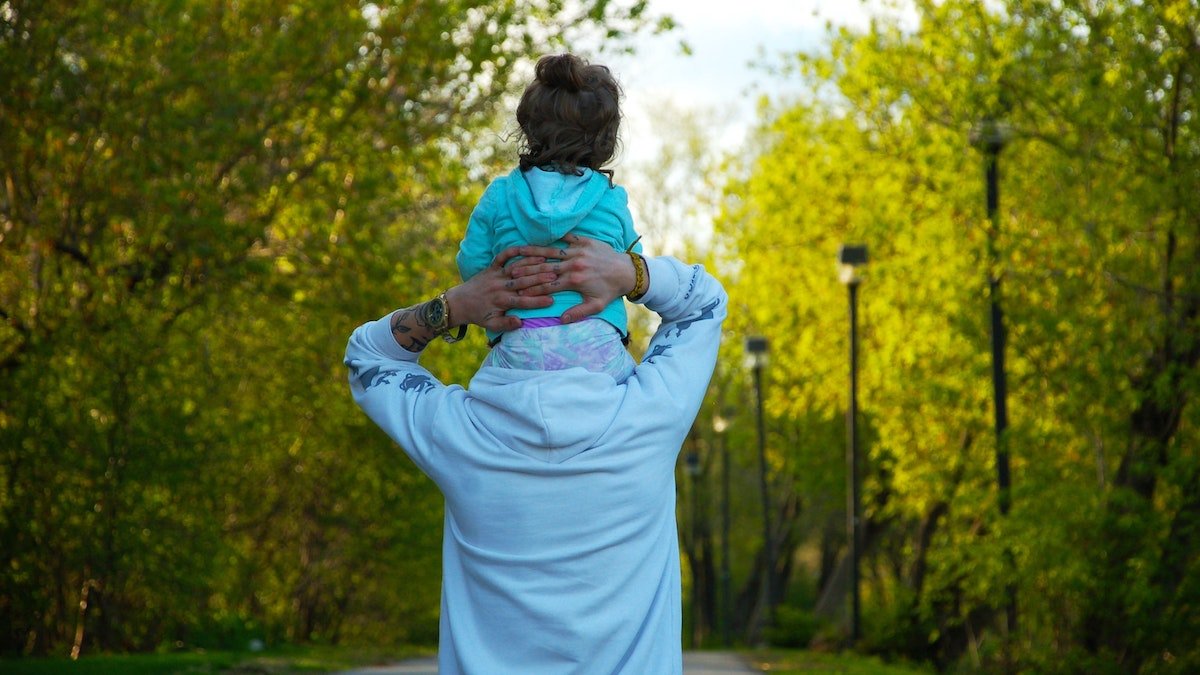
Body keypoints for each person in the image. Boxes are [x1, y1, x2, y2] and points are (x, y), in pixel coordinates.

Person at [345, 234, 727, 674]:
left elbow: (369, 359)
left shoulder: (461, 436)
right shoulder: (648, 416)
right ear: (614, 331)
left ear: (497, 332)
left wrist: (452, 307)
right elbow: (704, 304)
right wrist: (632, 274)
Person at [456, 53, 642, 382]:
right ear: (606, 139)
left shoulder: (500, 195)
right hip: (597, 346)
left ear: (528, 129)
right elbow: (632, 269)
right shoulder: (611, 198)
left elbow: (473, 267)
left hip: (518, 344)